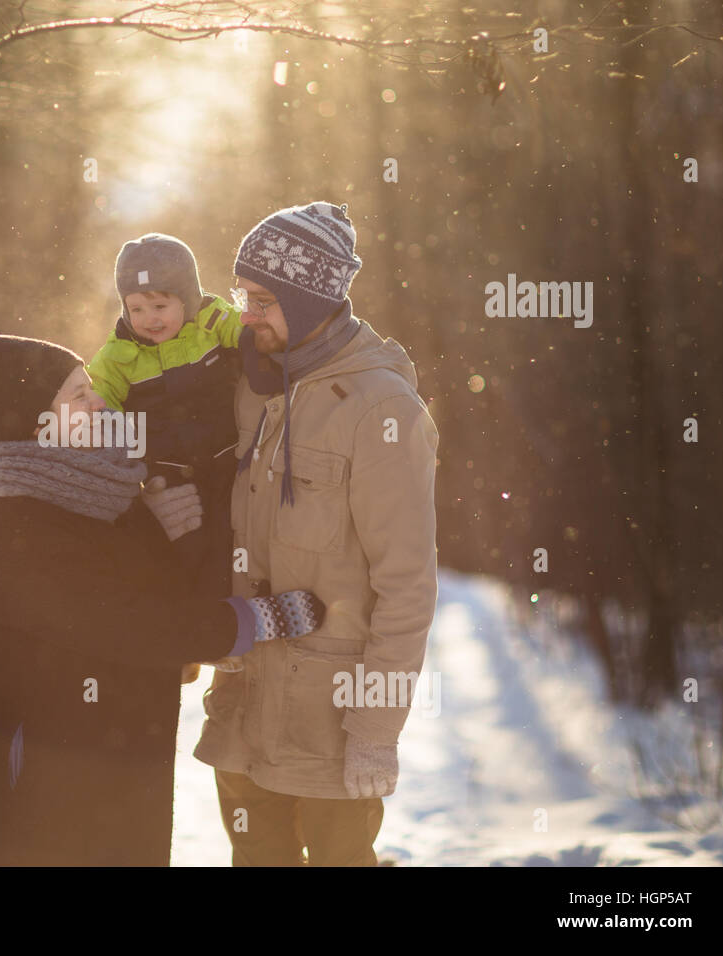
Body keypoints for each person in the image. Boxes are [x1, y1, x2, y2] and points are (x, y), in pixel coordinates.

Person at [0, 334, 326, 866]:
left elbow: (109, 588)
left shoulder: (87, 501)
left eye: (90, 387)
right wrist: (254, 619)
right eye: (77, 396)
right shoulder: (27, 528)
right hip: (36, 803)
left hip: (97, 778)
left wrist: (156, 533)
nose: (99, 402)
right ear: (36, 426)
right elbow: (132, 624)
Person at [193, 202, 440, 867]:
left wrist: (375, 730)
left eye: (264, 299)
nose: (246, 314)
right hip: (244, 709)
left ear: (310, 301)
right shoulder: (252, 389)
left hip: (330, 728)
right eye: (243, 295)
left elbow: (407, 585)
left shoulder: (381, 409)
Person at [87, 233, 244, 607]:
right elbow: (95, 403)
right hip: (168, 475)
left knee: (234, 542)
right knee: (185, 549)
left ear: (188, 300)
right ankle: (191, 631)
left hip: (229, 462)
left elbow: (251, 336)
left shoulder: (211, 322)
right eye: (136, 309)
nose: (149, 319)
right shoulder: (118, 356)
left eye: (159, 306)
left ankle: (229, 625)